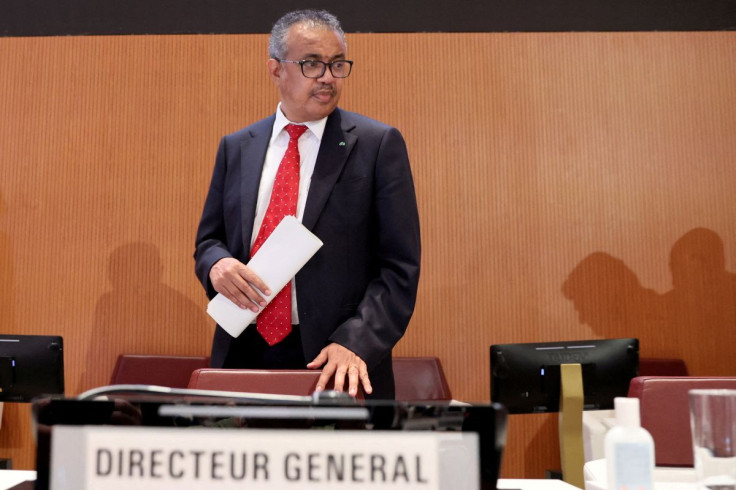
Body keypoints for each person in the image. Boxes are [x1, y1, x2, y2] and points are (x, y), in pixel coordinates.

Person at [194, 9, 421, 399]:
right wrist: (216, 264)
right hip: (244, 351)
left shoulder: (377, 145)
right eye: (312, 64)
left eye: (337, 65)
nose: (328, 77)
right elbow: (208, 241)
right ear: (276, 69)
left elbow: (399, 268)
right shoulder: (238, 147)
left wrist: (357, 342)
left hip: (335, 358)